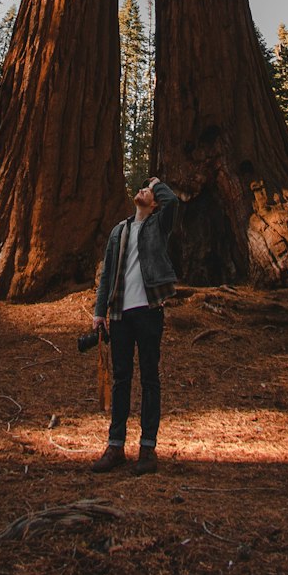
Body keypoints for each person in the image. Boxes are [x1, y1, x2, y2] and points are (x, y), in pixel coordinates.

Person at [90, 176, 179, 476]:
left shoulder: (158, 225)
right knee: (121, 380)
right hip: (120, 315)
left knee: (150, 379)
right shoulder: (119, 230)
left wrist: (157, 183)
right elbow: (106, 274)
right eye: (142, 188)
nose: (143, 191)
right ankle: (115, 446)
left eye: (149, 192)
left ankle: (148, 449)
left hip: (149, 311)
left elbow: (174, 202)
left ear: (154, 204)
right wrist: (99, 311)